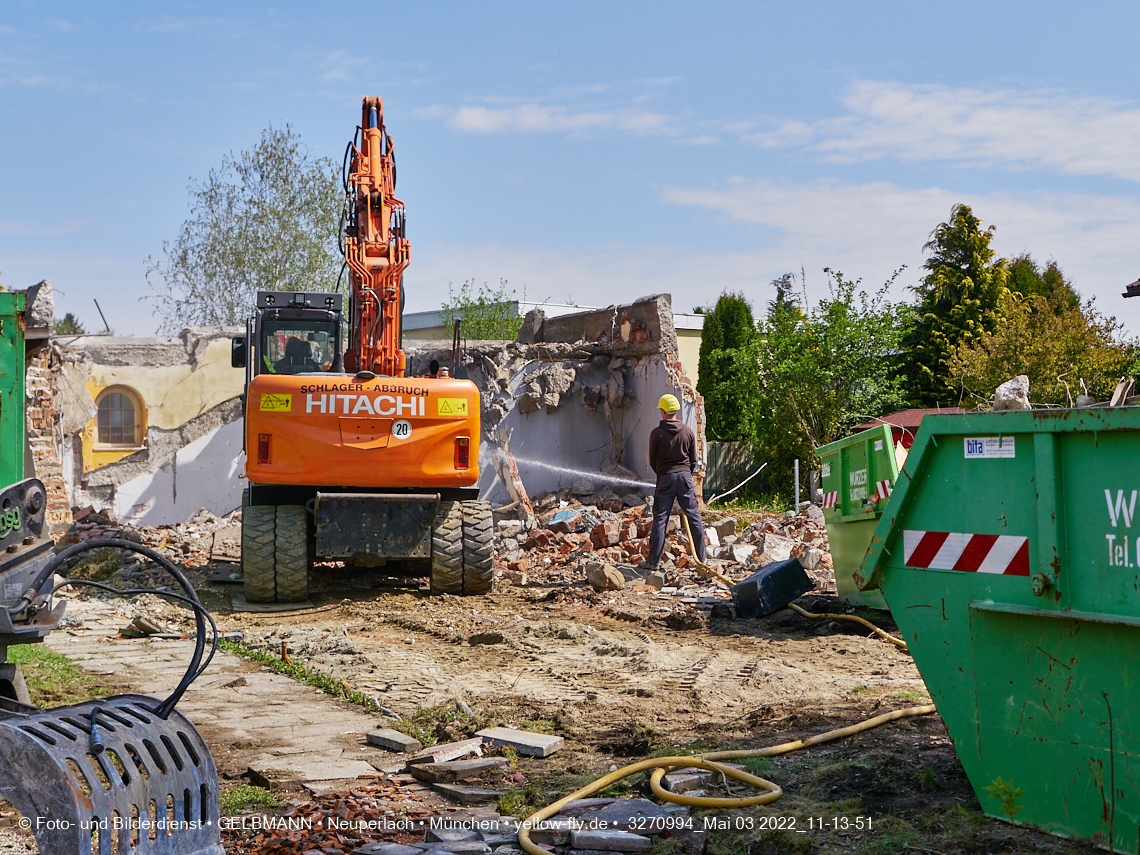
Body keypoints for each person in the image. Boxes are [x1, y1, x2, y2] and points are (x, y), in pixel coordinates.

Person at [642, 393, 706, 570]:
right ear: (676, 411)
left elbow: (653, 462)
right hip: (685, 477)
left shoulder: (656, 434)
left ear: (662, 412)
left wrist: (664, 474)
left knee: (660, 520)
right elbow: (694, 461)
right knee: (694, 518)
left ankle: (653, 562)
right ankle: (702, 560)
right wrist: (685, 474)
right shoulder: (688, 432)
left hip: (665, 478)